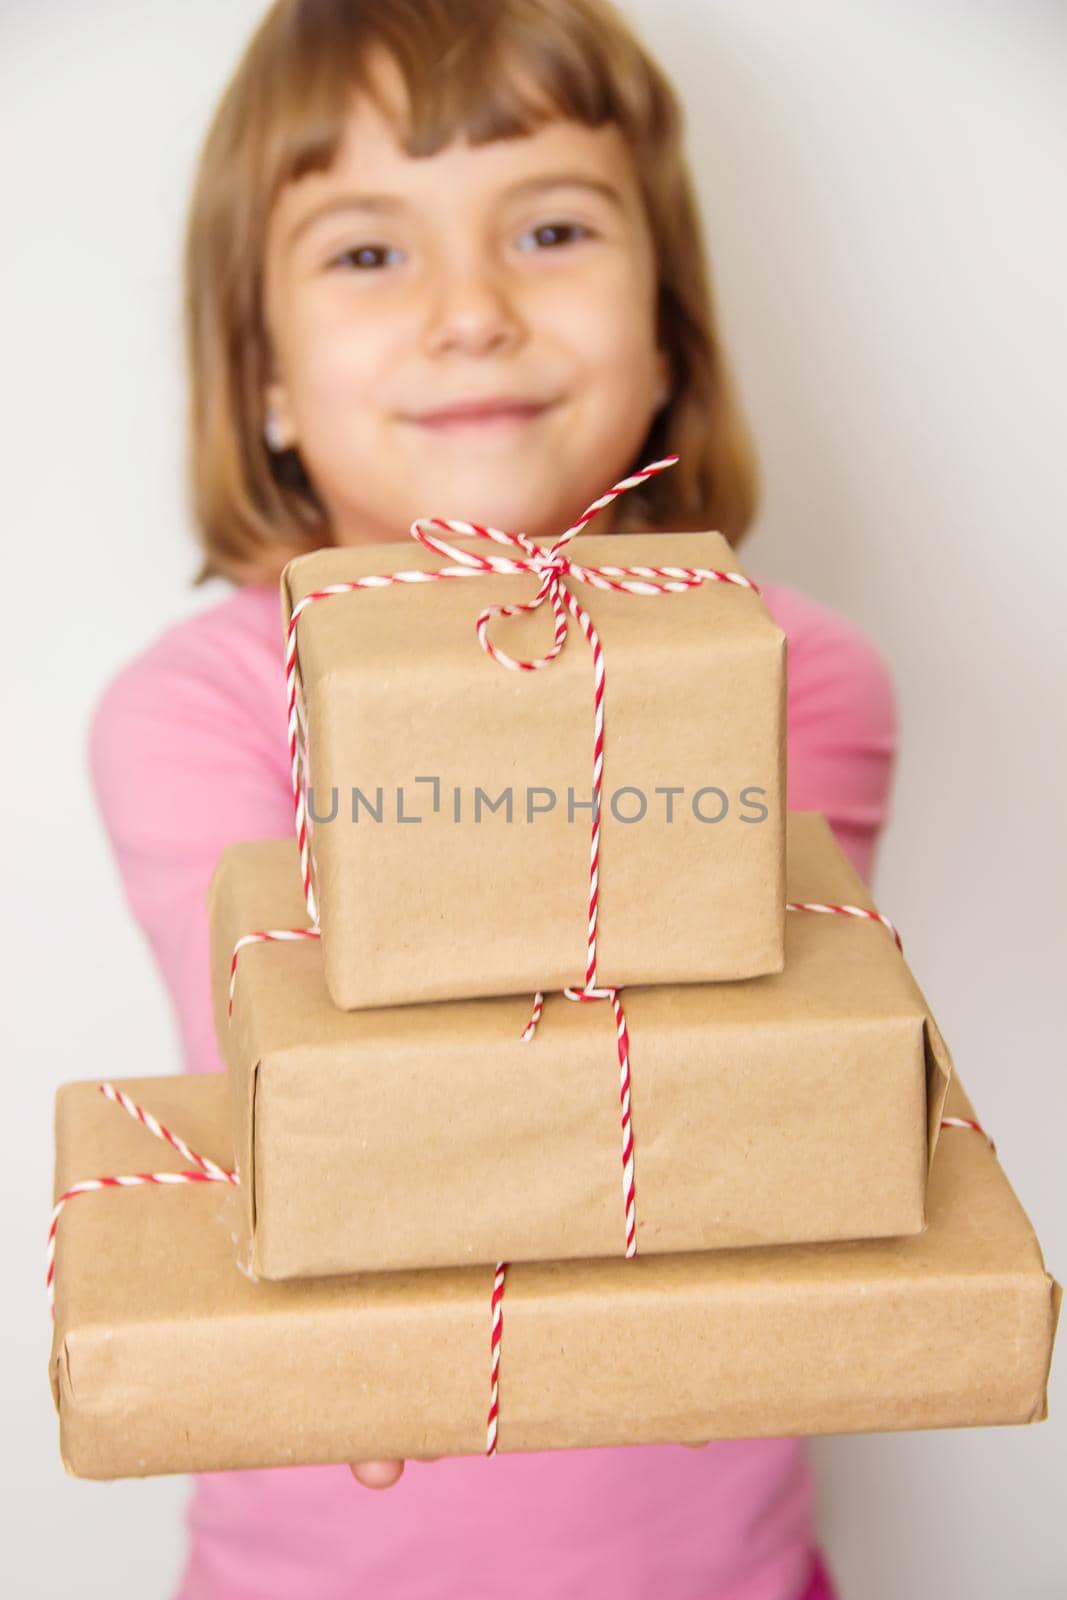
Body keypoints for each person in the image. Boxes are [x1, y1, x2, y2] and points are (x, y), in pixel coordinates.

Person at [88, 1, 896, 1594]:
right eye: (369, 254)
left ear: (669, 333)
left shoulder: (796, 670)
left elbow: (746, 1103)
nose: (471, 312)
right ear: (262, 376)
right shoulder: (199, 710)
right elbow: (307, 1125)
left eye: (549, 227)